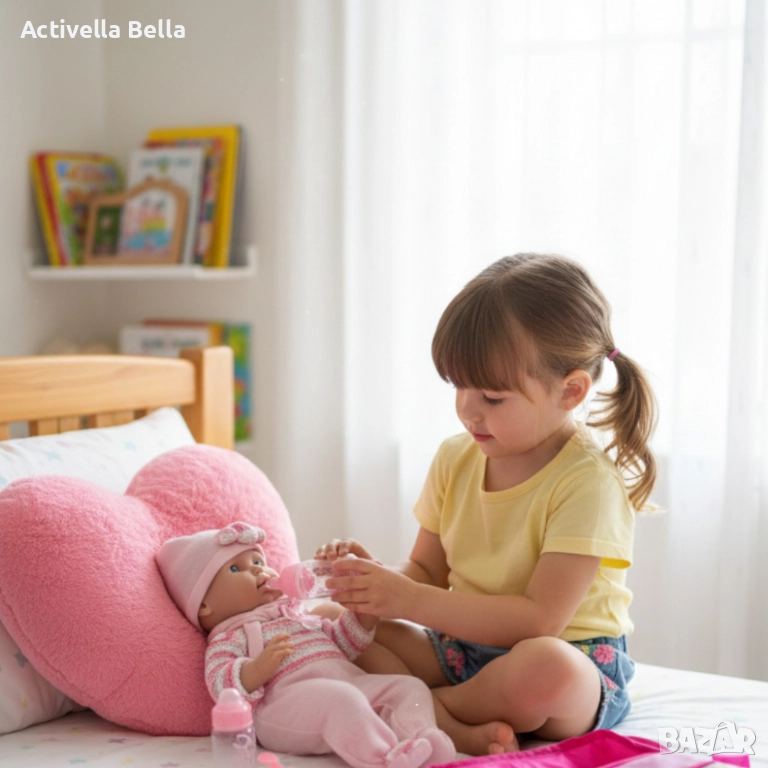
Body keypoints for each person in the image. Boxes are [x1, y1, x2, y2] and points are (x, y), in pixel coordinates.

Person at [316, 253, 657, 755]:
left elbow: (539, 621)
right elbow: (427, 573)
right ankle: (453, 717)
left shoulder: (589, 482)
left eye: (493, 398)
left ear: (570, 391)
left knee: (548, 669)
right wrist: (374, 585)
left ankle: (427, 708)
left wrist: (408, 601)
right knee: (328, 619)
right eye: (459, 386)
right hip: (460, 649)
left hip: (566, 657)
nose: (468, 410)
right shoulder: (455, 457)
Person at [156, 521, 455, 768]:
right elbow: (221, 684)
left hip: (347, 684)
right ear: (204, 605)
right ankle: (383, 758)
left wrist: (365, 612)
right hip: (285, 706)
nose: (259, 571)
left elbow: (344, 642)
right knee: (343, 701)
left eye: (258, 562)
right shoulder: (229, 637)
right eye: (236, 569)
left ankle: (422, 740)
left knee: (408, 687)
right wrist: (257, 669)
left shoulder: (296, 614)